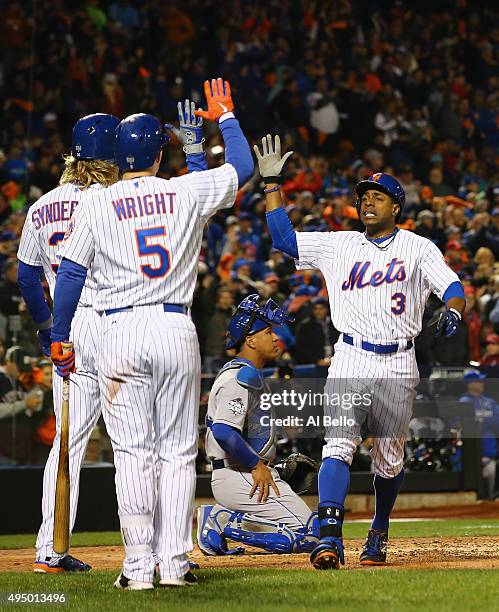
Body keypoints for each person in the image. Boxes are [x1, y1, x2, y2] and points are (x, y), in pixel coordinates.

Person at [50, 78, 253, 590]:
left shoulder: (96, 202)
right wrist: (224, 116)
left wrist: (60, 336)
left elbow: (71, 274)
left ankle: (138, 570)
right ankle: (176, 565)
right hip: (173, 327)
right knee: (179, 452)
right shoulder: (184, 188)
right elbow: (245, 168)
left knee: (133, 455)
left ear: (118, 158)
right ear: (161, 156)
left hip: (118, 329)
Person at [253, 134, 465, 569]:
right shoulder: (339, 244)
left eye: (379, 196)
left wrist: (455, 311)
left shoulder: (418, 247)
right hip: (350, 355)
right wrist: (272, 182)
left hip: (399, 361)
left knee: (389, 458)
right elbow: (284, 240)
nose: (368, 202)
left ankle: (380, 527)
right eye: (364, 196)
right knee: (338, 446)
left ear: (396, 207)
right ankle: (329, 537)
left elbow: (453, 288)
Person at [17, 113, 120, 573]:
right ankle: (150, 553)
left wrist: (46, 327)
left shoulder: (41, 206)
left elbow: (25, 275)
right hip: (115, 320)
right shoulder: (115, 199)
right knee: (136, 439)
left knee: (66, 443)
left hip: (69, 326)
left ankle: (49, 551)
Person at [197, 295, 319, 556]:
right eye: (268, 332)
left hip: (246, 473)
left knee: (309, 531)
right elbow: (224, 430)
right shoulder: (240, 377)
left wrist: (271, 466)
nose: (275, 338)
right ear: (250, 340)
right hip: (240, 474)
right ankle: (220, 520)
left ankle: (223, 519)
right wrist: (257, 465)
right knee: (309, 535)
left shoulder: (248, 375)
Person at [459, 370, 499, 500]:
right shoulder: (463, 401)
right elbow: (458, 423)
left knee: (490, 479)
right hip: (469, 453)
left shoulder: (489, 402)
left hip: (489, 449)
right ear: (470, 384)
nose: (482, 383)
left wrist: (482, 420)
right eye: (478, 381)